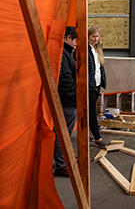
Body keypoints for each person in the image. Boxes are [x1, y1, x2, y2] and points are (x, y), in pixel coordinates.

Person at [54, 26, 77, 177]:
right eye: (76, 40)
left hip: (70, 100)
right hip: (67, 101)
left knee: (65, 133)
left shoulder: (67, 53)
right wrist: (76, 97)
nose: (77, 44)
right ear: (69, 37)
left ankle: (64, 160)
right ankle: (61, 164)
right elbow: (65, 80)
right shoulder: (63, 54)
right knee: (62, 134)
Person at [88, 26, 109, 148]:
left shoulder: (98, 49)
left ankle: (94, 134)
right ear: (88, 37)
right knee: (91, 112)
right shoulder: (86, 49)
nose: (95, 39)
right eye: (93, 36)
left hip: (96, 84)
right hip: (90, 85)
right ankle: (97, 138)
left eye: (97, 36)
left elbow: (99, 68)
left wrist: (101, 81)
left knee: (92, 111)